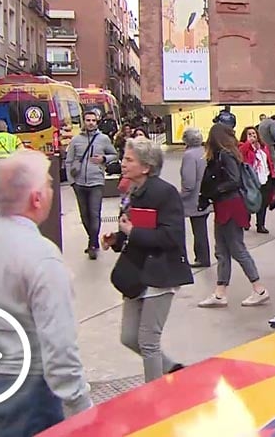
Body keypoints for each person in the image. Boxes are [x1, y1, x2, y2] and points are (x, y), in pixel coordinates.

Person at [0, 150, 93, 434]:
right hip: (26, 387)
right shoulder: (42, 256)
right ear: (36, 198)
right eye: (48, 185)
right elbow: (58, 341)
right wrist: (81, 404)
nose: (51, 190)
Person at [103, 138, 194, 382]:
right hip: (135, 272)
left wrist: (133, 232)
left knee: (148, 341)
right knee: (129, 337)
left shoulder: (164, 193)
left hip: (159, 272)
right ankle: (172, 368)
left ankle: (154, 398)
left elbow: (172, 236)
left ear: (146, 167)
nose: (123, 163)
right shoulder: (131, 191)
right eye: (124, 158)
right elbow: (130, 229)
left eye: (129, 160)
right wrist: (117, 239)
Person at [195, 124, 270, 308]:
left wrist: (213, 192)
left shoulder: (225, 155)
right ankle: (220, 292)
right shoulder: (228, 153)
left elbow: (233, 180)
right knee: (222, 249)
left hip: (229, 205)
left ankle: (259, 289)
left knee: (236, 248)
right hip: (226, 205)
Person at [65, 110, 118, 260]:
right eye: (88, 120)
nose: (90, 123)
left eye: (93, 120)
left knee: (95, 213)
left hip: (96, 181)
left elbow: (114, 154)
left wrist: (103, 158)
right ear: (84, 121)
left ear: (97, 122)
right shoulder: (76, 140)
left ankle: (92, 245)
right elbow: (68, 161)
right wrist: (71, 181)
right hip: (79, 182)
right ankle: (93, 239)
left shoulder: (103, 139)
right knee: (84, 215)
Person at [180, 127, 211, 267]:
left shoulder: (189, 155)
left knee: (198, 229)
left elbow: (189, 181)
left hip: (194, 198)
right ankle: (203, 256)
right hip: (205, 194)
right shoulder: (204, 151)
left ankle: (202, 257)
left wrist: (181, 195)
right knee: (201, 228)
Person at [240, 126, 275, 234]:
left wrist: (273, 174)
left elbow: (268, 161)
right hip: (251, 179)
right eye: (249, 134)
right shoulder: (243, 145)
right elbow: (241, 153)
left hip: (265, 177)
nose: (252, 136)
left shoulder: (263, 147)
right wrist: (248, 143)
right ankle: (246, 221)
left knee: (263, 202)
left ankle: (260, 224)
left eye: (254, 134)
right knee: (249, 201)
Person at [258, 114, 275, 178]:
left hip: (262, 143)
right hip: (269, 143)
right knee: (272, 159)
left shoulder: (262, 122)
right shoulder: (272, 123)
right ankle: (272, 173)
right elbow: (273, 132)